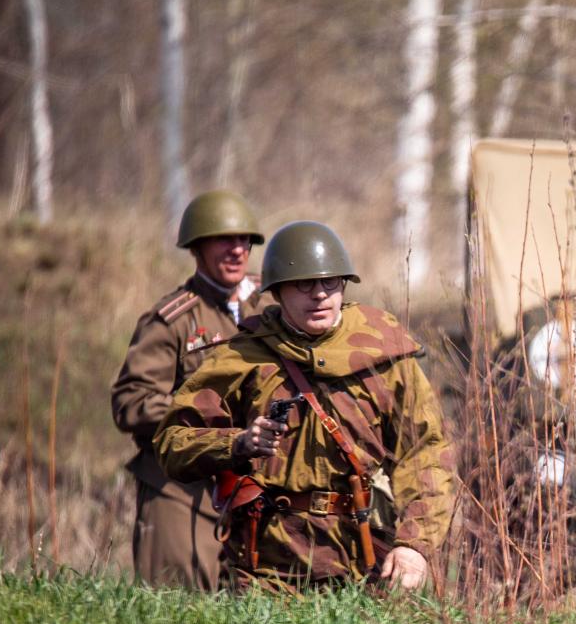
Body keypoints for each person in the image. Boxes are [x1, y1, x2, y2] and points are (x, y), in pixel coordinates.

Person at [153, 220, 456, 592]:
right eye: (305, 284)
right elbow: (172, 442)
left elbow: (425, 451)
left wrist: (414, 546)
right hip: (266, 569)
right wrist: (237, 444)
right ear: (278, 291)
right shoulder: (240, 357)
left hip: (366, 565)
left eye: (331, 282)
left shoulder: (385, 352)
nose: (320, 295)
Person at [111, 189, 265, 589]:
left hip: (259, 487)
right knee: (177, 608)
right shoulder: (172, 320)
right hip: (182, 488)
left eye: (244, 240)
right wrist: (209, 421)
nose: (237, 250)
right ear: (196, 248)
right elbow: (131, 403)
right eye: (223, 240)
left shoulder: (271, 304)